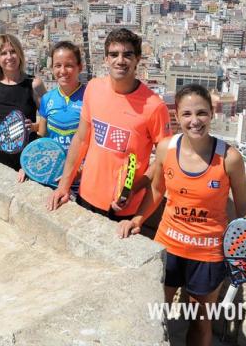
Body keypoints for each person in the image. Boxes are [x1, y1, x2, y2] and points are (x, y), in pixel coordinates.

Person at [117, 84, 246, 346]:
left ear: (212, 113)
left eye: (201, 113)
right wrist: (138, 218)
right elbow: (157, 189)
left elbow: (243, 207)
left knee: (201, 321)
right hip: (168, 245)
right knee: (157, 310)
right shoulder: (166, 148)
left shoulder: (229, 158)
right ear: (177, 116)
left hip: (208, 252)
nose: (195, 121)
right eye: (187, 114)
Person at [46, 28, 171, 220]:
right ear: (106, 59)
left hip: (123, 206)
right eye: (114, 54)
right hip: (85, 196)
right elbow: (81, 140)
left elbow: (163, 161)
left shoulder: (154, 107)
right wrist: (64, 185)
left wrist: (134, 189)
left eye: (127, 55)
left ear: (137, 59)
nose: (120, 60)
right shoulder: (94, 88)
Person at [0, 34, 45, 176]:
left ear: (20, 54)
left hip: (26, 157)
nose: (9, 57)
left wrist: (34, 126)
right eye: (3, 53)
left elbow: (50, 121)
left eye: (13, 51)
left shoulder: (34, 85)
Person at [35, 41, 86, 194]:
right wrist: (30, 166)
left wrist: (80, 172)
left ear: (80, 67)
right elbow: (42, 138)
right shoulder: (47, 99)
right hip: (53, 175)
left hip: (81, 179)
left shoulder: (90, 98)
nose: (63, 71)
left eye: (69, 65)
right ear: (52, 69)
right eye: (58, 65)